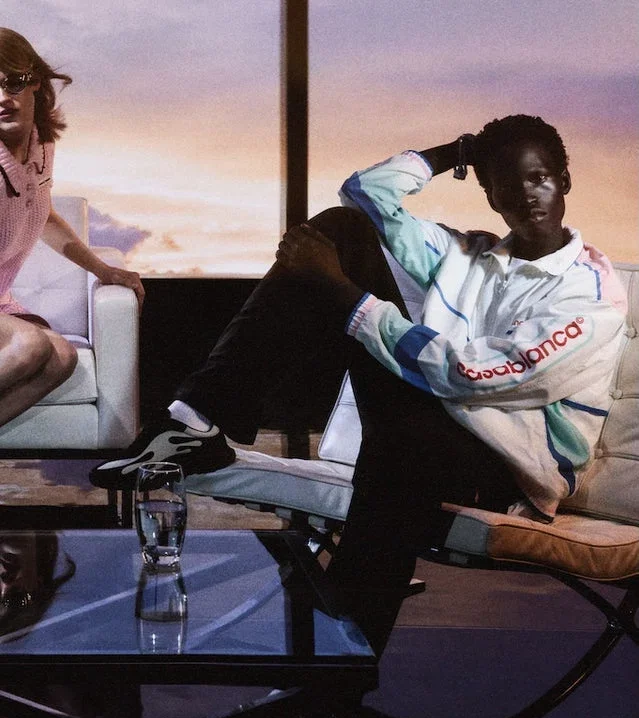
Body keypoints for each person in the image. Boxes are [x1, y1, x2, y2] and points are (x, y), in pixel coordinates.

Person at [91, 114, 626, 617]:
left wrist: (342, 294)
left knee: (401, 453)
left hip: (505, 469)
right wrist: (453, 153)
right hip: (436, 429)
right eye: (507, 185)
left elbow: (471, 375)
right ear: (490, 196)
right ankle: (195, 420)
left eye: (539, 178)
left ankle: (337, 665)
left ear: (564, 181)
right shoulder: (470, 257)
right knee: (340, 230)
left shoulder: (589, 293)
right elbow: (365, 193)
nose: (527, 195)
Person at [0, 28, 144, 429]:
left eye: (13, 82)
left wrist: (104, 270)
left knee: (61, 358)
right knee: (29, 343)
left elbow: (41, 214)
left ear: (36, 83)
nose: (2, 97)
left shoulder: (40, 146)